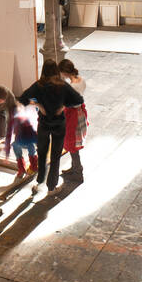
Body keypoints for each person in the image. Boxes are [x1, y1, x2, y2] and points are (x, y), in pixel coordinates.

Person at [18, 60, 85, 195]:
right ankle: (51, 188)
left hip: (43, 124)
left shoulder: (38, 85)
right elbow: (78, 100)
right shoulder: (63, 85)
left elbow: (23, 99)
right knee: (55, 156)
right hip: (59, 124)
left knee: (42, 154)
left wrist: (39, 105)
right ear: (56, 70)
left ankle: (39, 183)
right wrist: (63, 106)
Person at [58, 58, 88, 188]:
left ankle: (78, 172)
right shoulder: (81, 80)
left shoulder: (71, 86)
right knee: (73, 143)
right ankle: (74, 167)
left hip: (72, 115)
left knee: (71, 143)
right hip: (79, 112)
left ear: (65, 72)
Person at [5, 98, 39, 186]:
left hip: (21, 140)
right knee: (31, 148)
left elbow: (9, 135)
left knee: (16, 147)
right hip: (30, 139)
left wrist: (7, 154)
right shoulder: (28, 115)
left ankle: (22, 169)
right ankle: (33, 166)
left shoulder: (14, 119)